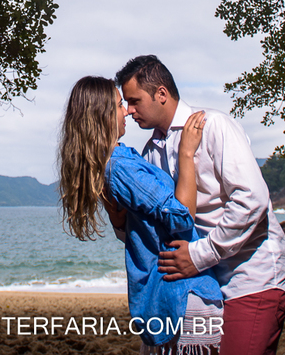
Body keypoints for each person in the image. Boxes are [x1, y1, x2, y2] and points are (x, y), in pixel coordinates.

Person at [116, 55, 285, 355]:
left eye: (134, 101)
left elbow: (252, 200)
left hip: (252, 277)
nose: (129, 110)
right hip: (208, 284)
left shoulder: (215, 126)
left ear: (161, 94)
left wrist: (199, 255)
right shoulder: (149, 153)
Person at [58, 76, 224, 354]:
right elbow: (182, 217)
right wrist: (185, 153)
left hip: (163, 298)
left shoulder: (109, 165)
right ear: (102, 115)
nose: (127, 111)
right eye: (119, 104)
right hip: (182, 295)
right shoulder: (121, 167)